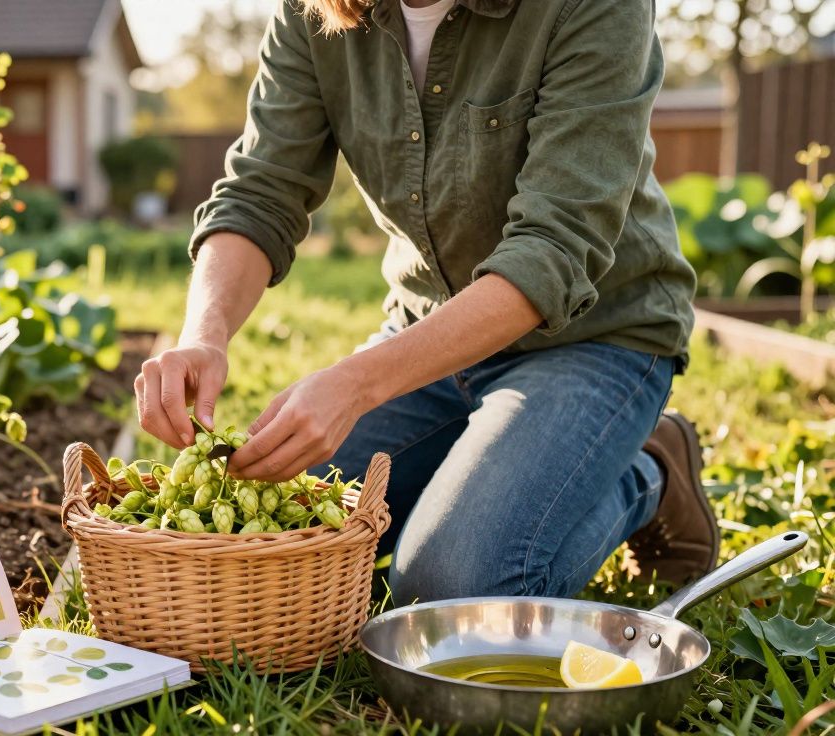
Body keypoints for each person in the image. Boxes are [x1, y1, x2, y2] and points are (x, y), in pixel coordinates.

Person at [133, 0, 720, 603]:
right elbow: (260, 192)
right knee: (281, 534)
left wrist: (354, 385)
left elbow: (553, 250)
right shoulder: (314, 11)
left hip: (595, 336)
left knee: (451, 588)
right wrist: (203, 333)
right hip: (427, 335)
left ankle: (650, 471)